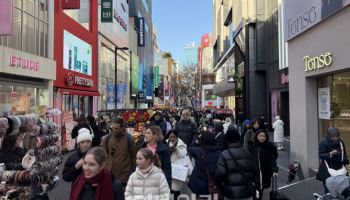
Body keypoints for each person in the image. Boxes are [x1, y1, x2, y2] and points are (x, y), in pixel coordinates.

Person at [215, 125, 259, 200]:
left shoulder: (224, 155)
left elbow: (219, 175)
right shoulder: (247, 153)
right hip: (246, 192)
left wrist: (222, 186)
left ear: (227, 140)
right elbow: (254, 171)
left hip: (230, 193)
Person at [102, 118, 137, 188]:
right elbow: (105, 155)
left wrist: (132, 172)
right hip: (111, 174)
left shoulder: (129, 139)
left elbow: (134, 157)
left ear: (122, 128)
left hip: (125, 175)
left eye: (116, 128)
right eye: (113, 128)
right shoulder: (107, 138)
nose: (114, 130)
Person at [188, 131, 222, 197]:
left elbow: (189, 148)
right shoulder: (219, 153)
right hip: (213, 185)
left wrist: (197, 140)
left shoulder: (198, 151)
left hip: (198, 186)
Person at [316, 127, 349, 193]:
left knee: (343, 187)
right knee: (329, 189)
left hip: (339, 167)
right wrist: (331, 153)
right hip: (327, 169)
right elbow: (321, 155)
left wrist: (345, 160)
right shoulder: (323, 142)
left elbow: (344, 154)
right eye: (333, 136)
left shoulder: (340, 142)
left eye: (337, 136)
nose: (335, 138)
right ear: (328, 136)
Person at [248, 129, 278, 200]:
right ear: (257, 136)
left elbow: (272, 160)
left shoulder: (269, 147)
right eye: (260, 136)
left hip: (264, 173)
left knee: (260, 192)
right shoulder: (252, 146)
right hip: (254, 174)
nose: (262, 138)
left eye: (264, 136)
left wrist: (274, 170)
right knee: (256, 193)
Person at [166, 129, 188, 199]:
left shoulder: (181, 144)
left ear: (176, 137)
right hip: (167, 167)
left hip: (177, 168)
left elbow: (183, 155)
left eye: (174, 137)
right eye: (170, 137)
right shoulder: (166, 142)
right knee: (168, 186)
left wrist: (177, 150)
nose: (172, 139)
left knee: (175, 188)